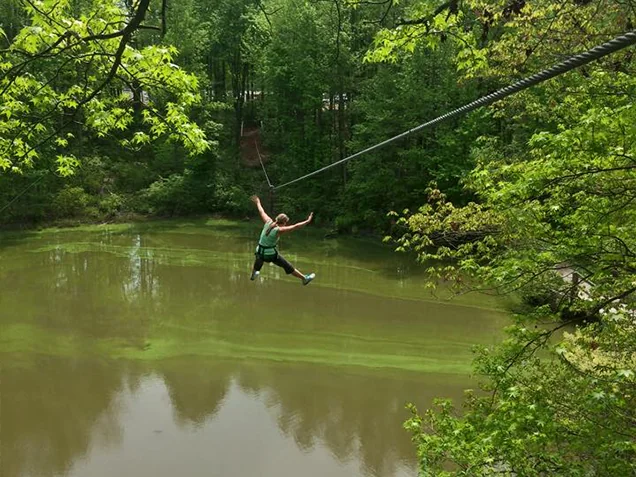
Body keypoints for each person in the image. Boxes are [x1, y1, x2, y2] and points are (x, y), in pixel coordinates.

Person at [250, 195, 316, 285]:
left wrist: (258, 202)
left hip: (260, 251)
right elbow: (295, 226)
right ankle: (304, 279)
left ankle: (253, 274)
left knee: (259, 260)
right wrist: (307, 221)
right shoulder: (279, 230)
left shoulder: (268, 222)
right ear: (284, 222)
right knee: (287, 265)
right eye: (285, 223)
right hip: (270, 254)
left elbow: (262, 211)